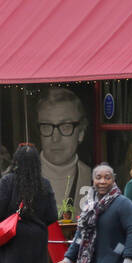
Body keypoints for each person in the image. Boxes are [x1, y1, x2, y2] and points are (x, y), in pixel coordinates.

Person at [37, 87, 93, 215]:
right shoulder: (18, 180)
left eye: (66, 126)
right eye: (46, 126)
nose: (55, 138)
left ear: (81, 133)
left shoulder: (94, 179)